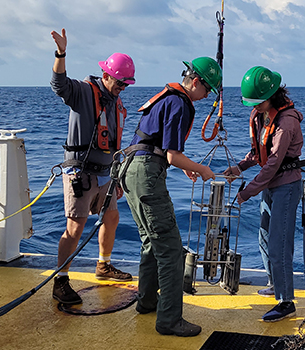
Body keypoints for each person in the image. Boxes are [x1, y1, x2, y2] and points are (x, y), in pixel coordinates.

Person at [120, 57, 221, 337]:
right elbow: (172, 155)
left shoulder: (168, 98)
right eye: (207, 90)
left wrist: (186, 167)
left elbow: (158, 148)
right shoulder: (180, 103)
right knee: (171, 249)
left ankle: (147, 301)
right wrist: (200, 169)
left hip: (129, 170)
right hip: (147, 176)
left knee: (150, 242)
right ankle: (169, 320)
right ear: (196, 82)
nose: (206, 97)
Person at [49, 28, 133, 305]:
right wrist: (61, 53)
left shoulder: (115, 102)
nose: (122, 89)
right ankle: (60, 281)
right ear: (106, 75)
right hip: (81, 174)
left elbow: (115, 144)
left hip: (106, 174)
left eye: (126, 85)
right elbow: (59, 85)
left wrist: (117, 178)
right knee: (75, 226)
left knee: (112, 218)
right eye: (120, 83)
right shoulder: (84, 92)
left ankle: (103, 265)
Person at [222, 66, 304, 322]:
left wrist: (246, 192)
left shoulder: (286, 121)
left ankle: (286, 301)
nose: (254, 107)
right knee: (265, 237)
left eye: (258, 103)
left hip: (286, 187)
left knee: (280, 245)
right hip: (269, 187)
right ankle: (274, 283)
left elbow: (273, 163)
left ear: (272, 96)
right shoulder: (262, 116)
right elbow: (258, 153)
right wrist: (240, 167)